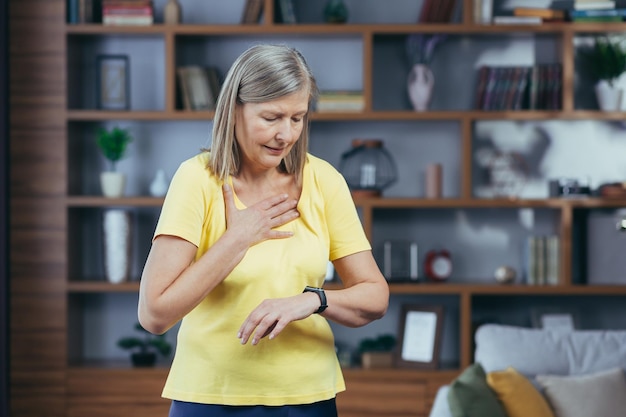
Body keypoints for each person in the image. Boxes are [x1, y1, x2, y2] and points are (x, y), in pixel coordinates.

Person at [138, 43, 389, 417]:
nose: (285, 134)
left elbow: (374, 296)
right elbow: (154, 314)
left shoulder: (323, 180)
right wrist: (237, 239)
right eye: (271, 118)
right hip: (211, 398)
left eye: (297, 118)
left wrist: (313, 299)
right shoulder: (198, 180)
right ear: (235, 110)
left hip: (308, 399)